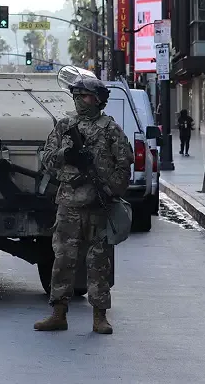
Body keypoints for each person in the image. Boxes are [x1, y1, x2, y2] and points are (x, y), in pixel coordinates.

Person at [34, 74, 134, 334]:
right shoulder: (65, 126)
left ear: (98, 100)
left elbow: (124, 164)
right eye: (77, 96)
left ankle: (99, 316)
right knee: (63, 260)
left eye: (85, 96)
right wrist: (65, 154)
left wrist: (110, 188)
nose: (80, 100)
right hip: (68, 206)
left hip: (98, 207)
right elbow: (46, 159)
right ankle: (58, 313)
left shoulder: (110, 129)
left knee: (98, 263)